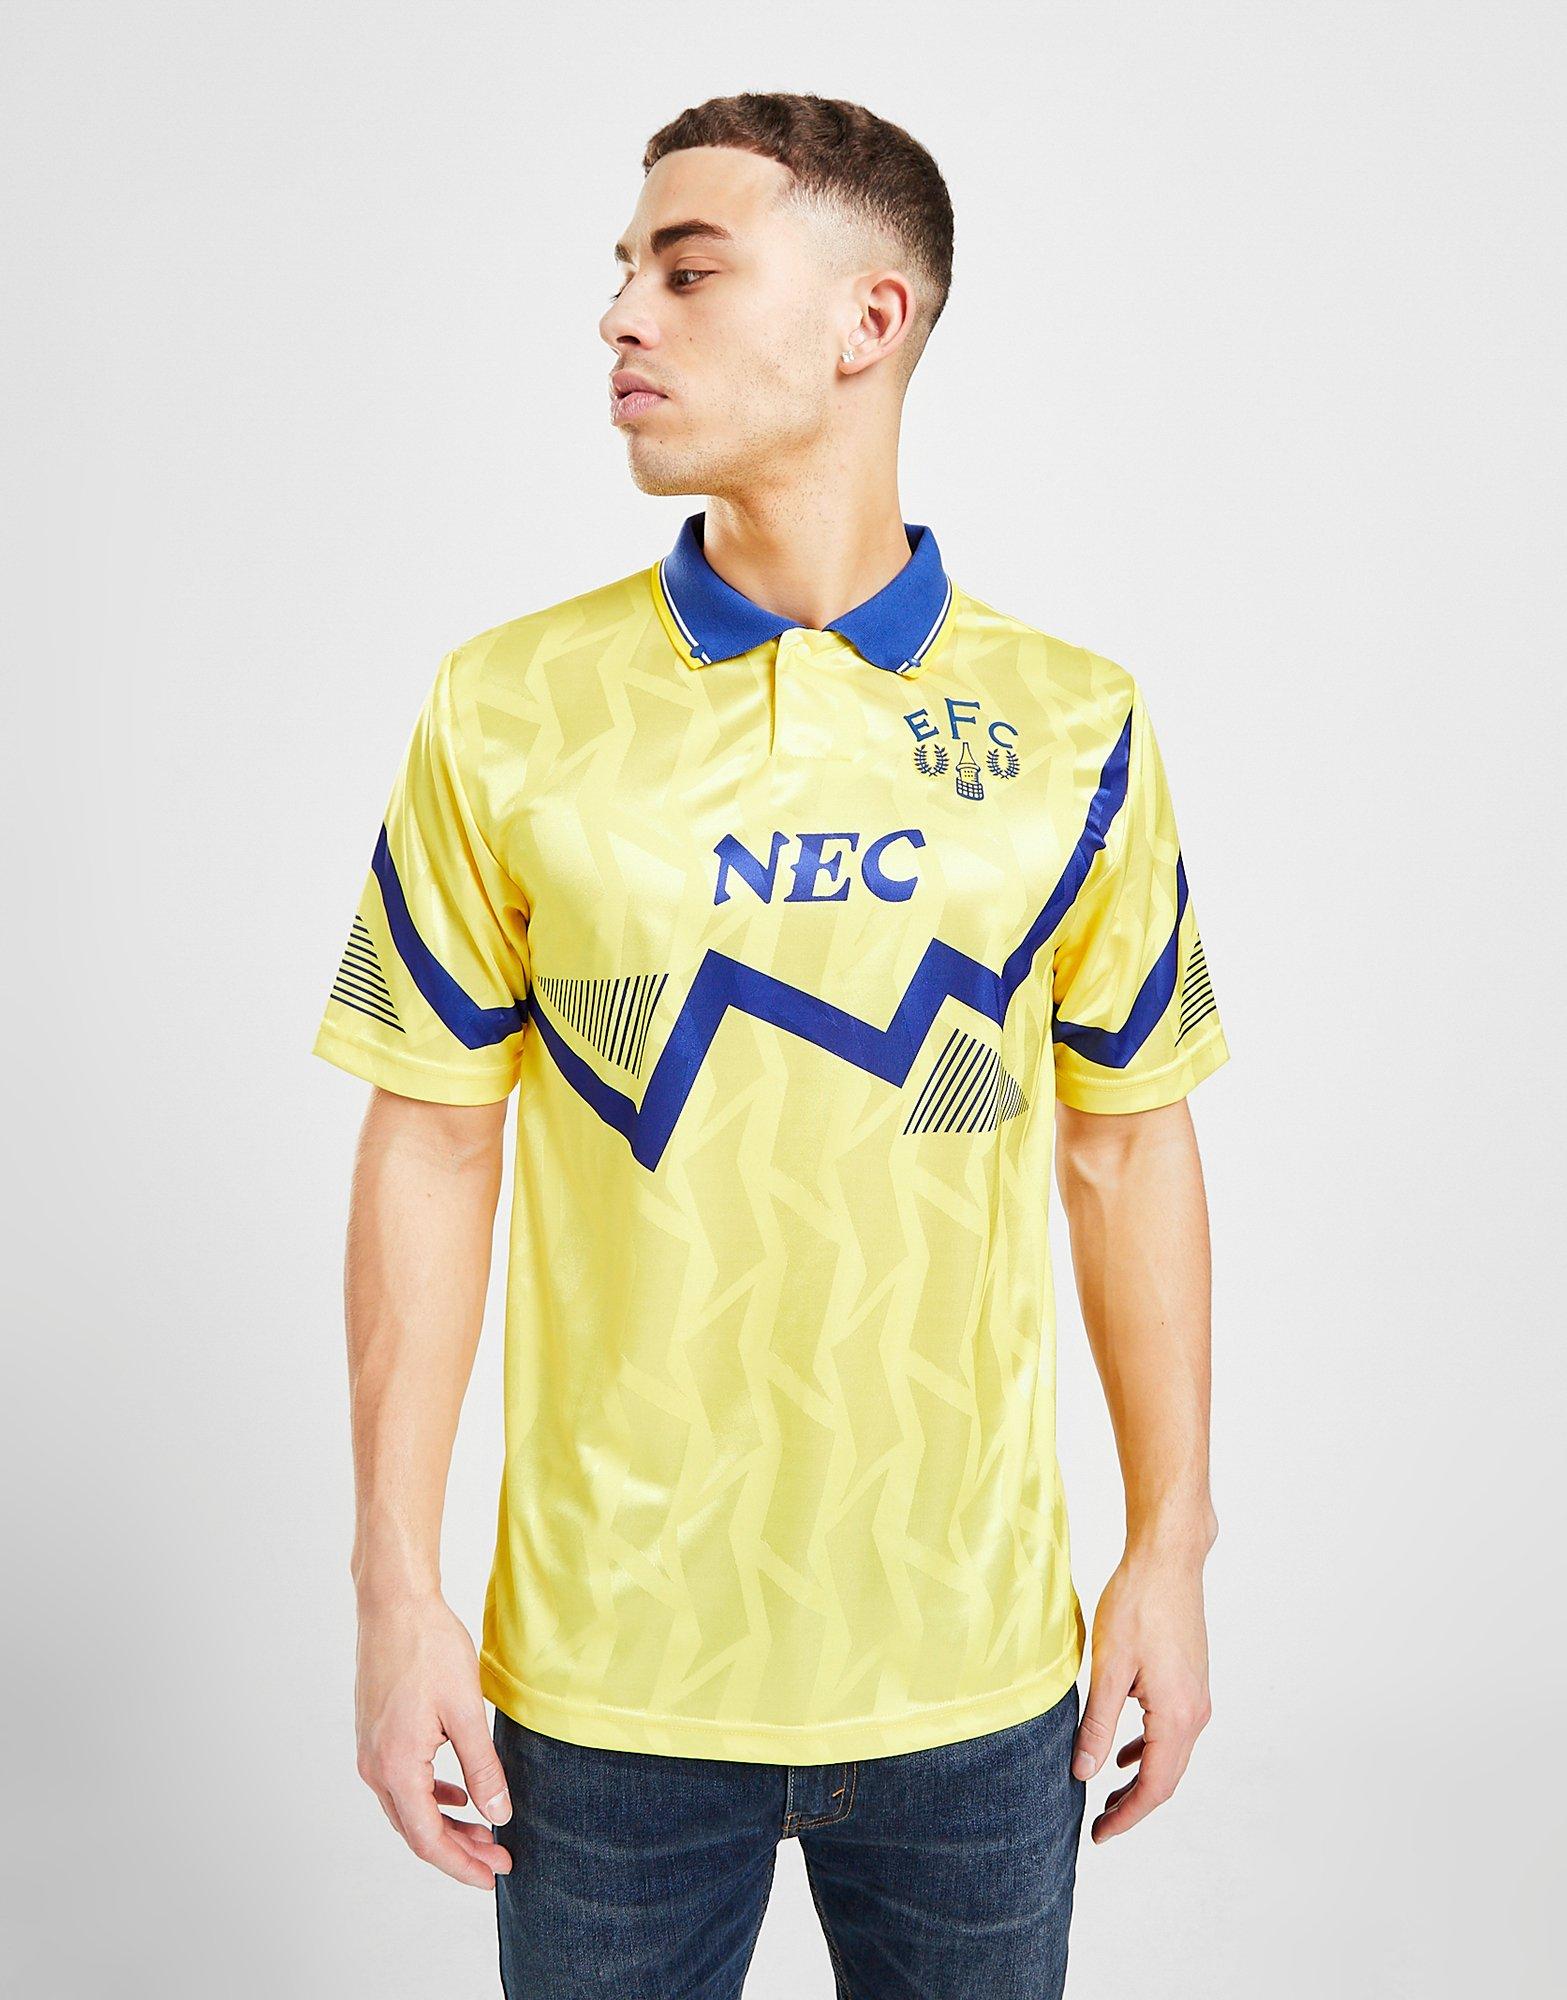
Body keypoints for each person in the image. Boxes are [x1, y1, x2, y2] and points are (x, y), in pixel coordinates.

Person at [313, 90, 1228, 2000]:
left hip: (979, 1674)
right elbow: (432, 1140)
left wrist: (1171, 1546)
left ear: (867, 320)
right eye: (624, 270)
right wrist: (397, 1588)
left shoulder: (1077, 726)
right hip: (602, 1680)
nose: (620, 317)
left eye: (688, 269)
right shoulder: (506, 709)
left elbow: (1129, 1141)